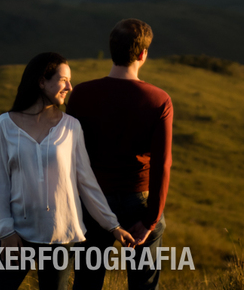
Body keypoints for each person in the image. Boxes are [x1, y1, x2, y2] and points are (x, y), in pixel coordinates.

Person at [0, 51, 135, 290]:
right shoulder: (4, 125)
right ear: (42, 81)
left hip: (60, 236)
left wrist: (112, 225)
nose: (70, 87)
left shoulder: (71, 127)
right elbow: (2, 182)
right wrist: (6, 231)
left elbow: (85, 182)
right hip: (18, 234)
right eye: (64, 80)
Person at [67, 19, 173, 290]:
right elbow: (162, 164)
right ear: (142, 54)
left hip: (93, 201)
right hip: (139, 201)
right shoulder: (158, 99)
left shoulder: (81, 94)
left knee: (87, 283)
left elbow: (70, 154)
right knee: (144, 285)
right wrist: (150, 220)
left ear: (112, 50)